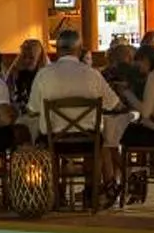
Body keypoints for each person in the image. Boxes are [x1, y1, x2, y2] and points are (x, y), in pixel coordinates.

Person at [26, 27, 126, 183]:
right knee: (100, 139)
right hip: (89, 142)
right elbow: (115, 105)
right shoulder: (92, 74)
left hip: (53, 142)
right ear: (79, 50)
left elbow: (32, 110)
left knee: (38, 136)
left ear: (57, 50)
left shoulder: (44, 74)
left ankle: (55, 191)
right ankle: (92, 190)